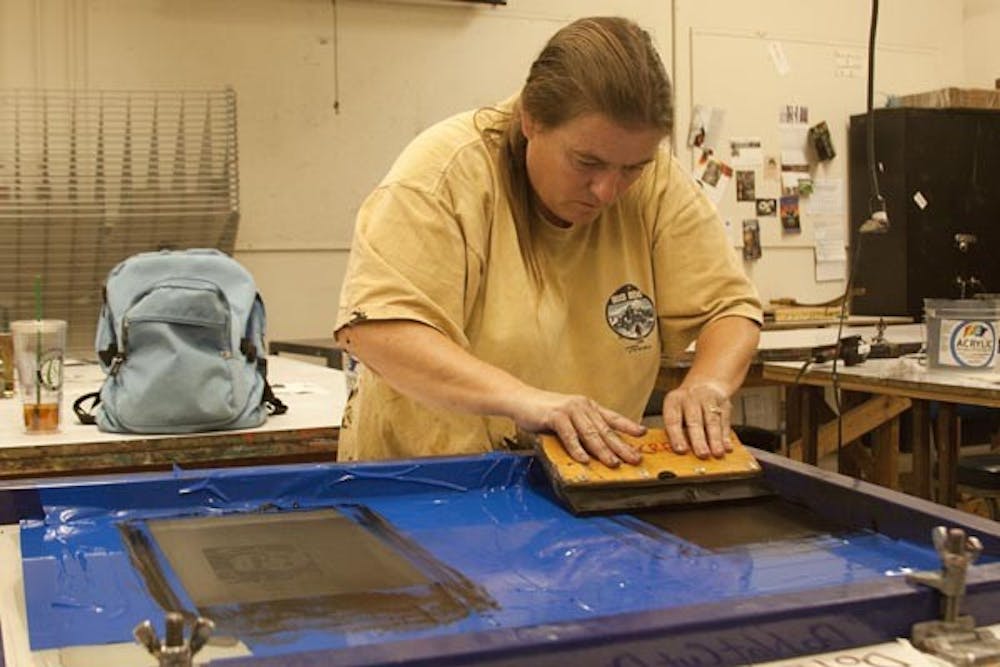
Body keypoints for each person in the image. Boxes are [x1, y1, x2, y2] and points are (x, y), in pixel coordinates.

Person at [334, 16, 762, 468]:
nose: (607, 190)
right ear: (531, 118)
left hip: (588, 477)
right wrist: (523, 400)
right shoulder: (442, 177)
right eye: (586, 162)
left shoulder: (657, 182)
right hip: (429, 480)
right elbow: (379, 331)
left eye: (632, 167)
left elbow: (729, 308)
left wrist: (708, 383)